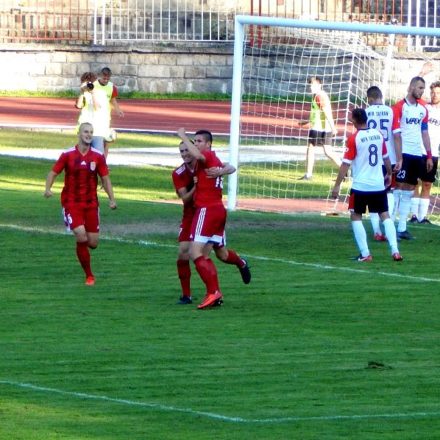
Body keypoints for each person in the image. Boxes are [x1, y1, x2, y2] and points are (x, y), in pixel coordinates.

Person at [172, 141, 251, 305]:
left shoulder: (205, 161)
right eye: (181, 151)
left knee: (220, 255)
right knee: (183, 252)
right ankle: (187, 295)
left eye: (187, 150)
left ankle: (238, 265)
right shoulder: (178, 173)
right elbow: (185, 199)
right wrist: (196, 186)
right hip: (191, 216)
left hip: (208, 213)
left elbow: (231, 167)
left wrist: (222, 171)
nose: (185, 154)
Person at [44, 122, 117, 285]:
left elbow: (105, 179)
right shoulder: (67, 154)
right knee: (81, 235)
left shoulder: (98, 156)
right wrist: (48, 189)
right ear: (79, 133)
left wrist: (112, 199)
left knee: (93, 243)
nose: (88, 135)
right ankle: (89, 275)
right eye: (86, 132)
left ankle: (83, 251)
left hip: (91, 204)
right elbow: (53, 173)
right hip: (71, 203)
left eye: (91, 132)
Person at [331, 108, 402, 262]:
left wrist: (337, 185)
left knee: (356, 216)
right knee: (385, 215)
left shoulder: (354, 138)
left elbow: (345, 164)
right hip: (378, 185)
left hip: (360, 186)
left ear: (354, 120)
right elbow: (386, 158)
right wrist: (389, 174)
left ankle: (365, 253)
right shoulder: (378, 135)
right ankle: (395, 251)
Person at [392, 76, 433, 240]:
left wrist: (428, 155)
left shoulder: (423, 109)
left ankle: (402, 228)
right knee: (397, 187)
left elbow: (424, 132)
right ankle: (390, 226)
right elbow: (396, 134)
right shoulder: (399, 107)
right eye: (420, 88)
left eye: (423, 88)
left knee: (410, 189)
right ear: (411, 87)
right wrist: (399, 157)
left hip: (416, 154)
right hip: (403, 153)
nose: (422, 91)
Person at [365, 85, 396, 241]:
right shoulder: (390, 111)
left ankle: (377, 230)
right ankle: (389, 223)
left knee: (373, 193)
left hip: (372, 159)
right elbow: (396, 134)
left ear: (370, 99)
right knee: (389, 191)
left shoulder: (366, 112)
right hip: (389, 157)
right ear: (381, 97)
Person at [298, 76, 341, 180]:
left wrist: (333, 127)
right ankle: (346, 170)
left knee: (319, 150)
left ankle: (309, 175)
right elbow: (317, 114)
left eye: (313, 85)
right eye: (310, 85)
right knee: (322, 150)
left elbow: (327, 112)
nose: (311, 87)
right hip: (320, 127)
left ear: (319, 85)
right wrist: (307, 121)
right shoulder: (317, 95)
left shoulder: (319, 96)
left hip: (321, 128)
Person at [409, 80, 440, 224]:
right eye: (433, 92)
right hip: (418, 150)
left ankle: (423, 217)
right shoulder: (424, 107)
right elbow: (411, 96)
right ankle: (414, 215)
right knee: (414, 183)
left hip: (433, 153)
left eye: (438, 93)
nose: (435, 95)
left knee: (427, 184)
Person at [92, 67, 124, 158]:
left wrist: (118, 110)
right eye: (104, 78)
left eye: (107, 78)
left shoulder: (111, 87)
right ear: (100, 76)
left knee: (106, 140)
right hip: (94, 117)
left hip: (105, 118)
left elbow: (113, 100)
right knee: (95, 140)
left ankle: (104, 162)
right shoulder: (94, 85)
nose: (106, 80)